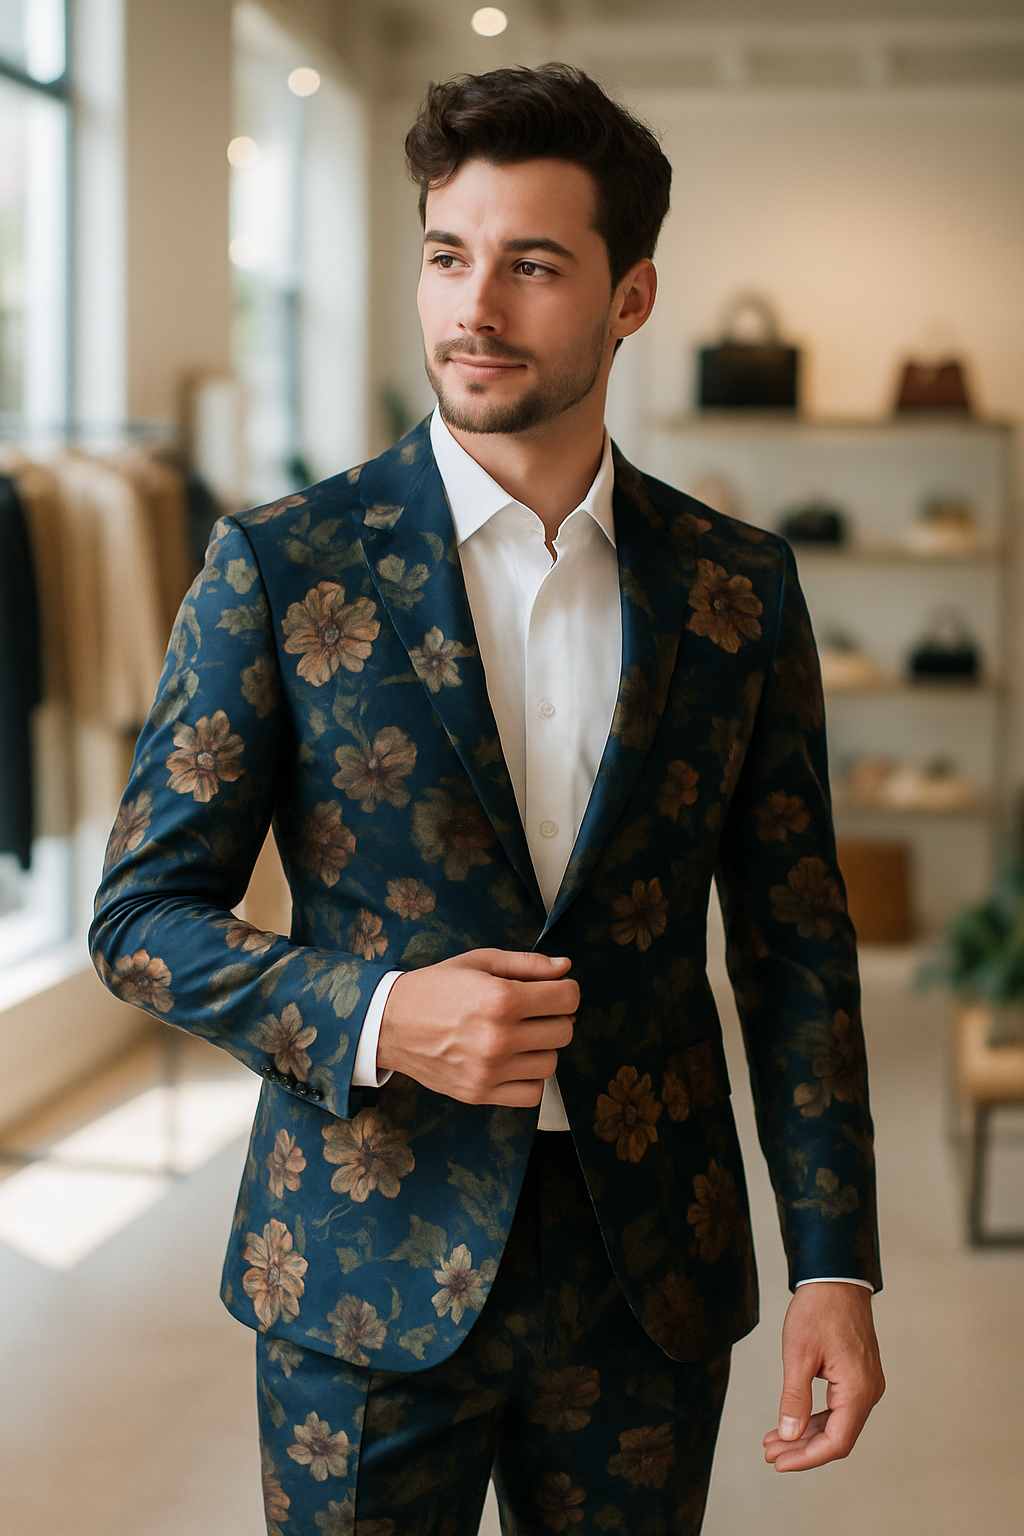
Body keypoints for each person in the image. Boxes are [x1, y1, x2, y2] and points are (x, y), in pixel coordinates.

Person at [91, 63, 884, 1536]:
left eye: (533, 265)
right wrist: (386, 1016)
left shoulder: (736, 591)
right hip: (356, 1266)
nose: (477, 308)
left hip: (647, 1271)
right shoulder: (283, 566)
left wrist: (836, 1263)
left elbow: (797, 952)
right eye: (450, 257)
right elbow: (142, 918)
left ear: (630, 298)